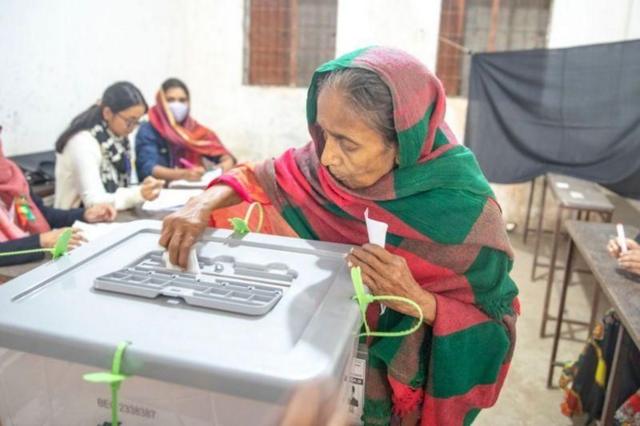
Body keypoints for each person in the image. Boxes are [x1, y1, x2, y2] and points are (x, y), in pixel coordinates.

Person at [158, 47, 519, 425]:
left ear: (402, 144)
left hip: (398, 395)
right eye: (322, 134)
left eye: (347, 143)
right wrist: (199, 204)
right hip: (325, 368)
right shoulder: (322, 167)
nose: (327, 157)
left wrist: (419, 300)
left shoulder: (465, 211)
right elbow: (262, 176)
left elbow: (494, 332)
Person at [0, 130, 115, 267]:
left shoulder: (12, 177)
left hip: (33, 265)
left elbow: (37, 214)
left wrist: (84, 214)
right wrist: (40, 241)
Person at [54, 82, 164, 211]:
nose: (133, 128)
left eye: (137, 122)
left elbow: (130, 184)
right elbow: (94, 202)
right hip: (75, 224)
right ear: (107, 113)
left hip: (110, 218)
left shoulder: (121, 140)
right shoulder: (82, 142)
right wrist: (138, 193)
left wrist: (144, 188)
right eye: (129, 121)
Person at [135, 78, 235, 183]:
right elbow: (148, 168)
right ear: (161, 102)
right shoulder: (149, 130)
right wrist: (184, 174)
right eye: (170, 100)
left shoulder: (195, 130)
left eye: (182, 100)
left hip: (195, 192)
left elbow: (226, 157)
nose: (177, 105)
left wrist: (219, 169)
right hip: (159, 193)